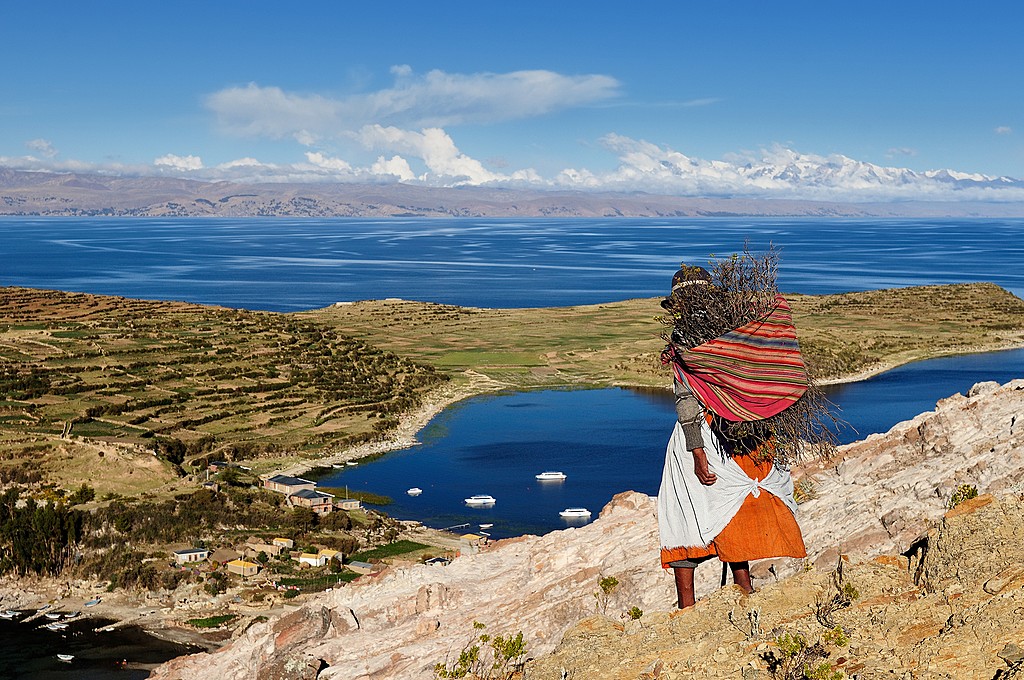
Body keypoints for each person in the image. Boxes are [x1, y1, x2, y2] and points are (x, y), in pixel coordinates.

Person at [657, 265, 807, 609]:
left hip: (704, 435)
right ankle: (744, 590)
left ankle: (688, 607)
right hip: (745, 430)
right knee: (734, 509)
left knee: (685, 511)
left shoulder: (684, 339)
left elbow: (686, 400)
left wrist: (697, 452)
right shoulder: (738, 330)